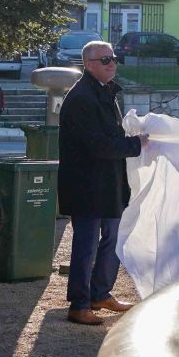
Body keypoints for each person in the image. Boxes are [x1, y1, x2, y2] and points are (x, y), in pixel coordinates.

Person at [58, 41, 144, 326]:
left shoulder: (105, 93)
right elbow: (97, 145)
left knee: (112, 240)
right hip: (86, 184)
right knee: (86, 245)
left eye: (114, 58)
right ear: (88, 64)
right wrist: (135, 145)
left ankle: (101, 294)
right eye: (105, 59)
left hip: (108, 183)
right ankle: (79, 304)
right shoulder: (82, 97)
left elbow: (110, 138)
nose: (112, 63)